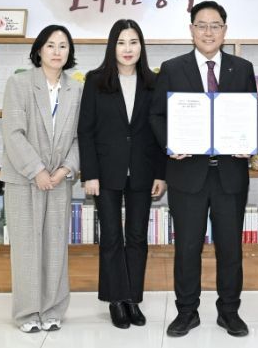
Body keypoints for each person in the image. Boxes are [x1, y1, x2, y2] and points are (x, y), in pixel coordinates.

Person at [150, 1, 257, 337]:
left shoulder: (242, 68)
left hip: (230, 174)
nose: (208, 32)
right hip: (187, 173)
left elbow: (251, 114)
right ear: (191, 30)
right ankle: (186, 312)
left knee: (230, 248)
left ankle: (229, 312)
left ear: (225, 30)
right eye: (202, 25)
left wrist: (249, 142)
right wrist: (172, 143)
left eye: (215, 25)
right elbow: (156, 115)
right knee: (187, 248)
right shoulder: (172, 68)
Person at [77, 19, 167, 329]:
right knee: (112, 236)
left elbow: (160, 131)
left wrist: (161, 174)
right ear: (112, 46)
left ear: (142, 46)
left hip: (143, 171)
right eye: (121, 42)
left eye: (133, 42)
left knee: (137, 237)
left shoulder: (153, 82)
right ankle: (116, 300)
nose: (128, 49)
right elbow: (86, 130)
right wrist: (89, 174)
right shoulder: (96, 80)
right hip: (106, 172)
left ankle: (132, 299)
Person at [0, 24, 82, 333]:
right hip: (24, 179)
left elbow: (81, 137)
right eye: (50, 45)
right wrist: (37, 170)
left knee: (55, 247)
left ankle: (52, 310)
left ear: (69, 52)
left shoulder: (76, 89)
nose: (57, 51)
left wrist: (64, 170)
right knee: (26, 247)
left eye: (63, 46)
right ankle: (26, 314)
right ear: (38, 50)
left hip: (59, 180)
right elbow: (13, 133)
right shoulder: (19, 84)